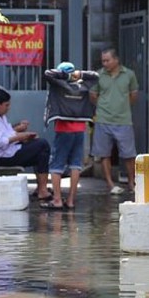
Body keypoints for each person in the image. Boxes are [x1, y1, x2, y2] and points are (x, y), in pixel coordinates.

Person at [41, 62, 99, 210]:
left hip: (63, 130)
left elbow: (48, 73)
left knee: (56, 165)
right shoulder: (82, 86)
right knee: (75, 165)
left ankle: (57, 200)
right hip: (79, 130)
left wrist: (64, 75)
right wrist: (79, 74)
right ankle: (71, 201)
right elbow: (96, 76)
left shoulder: (58, 85)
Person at [0, 88, 51, 200]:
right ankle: (42, 189)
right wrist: (19, 137)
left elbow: (9, 133)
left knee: (39, 148)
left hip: (10, 150)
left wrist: (24, 137)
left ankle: (41, 189)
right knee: (43, 145)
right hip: (3, 156)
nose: (8, 108)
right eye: (6, 105)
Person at [90, 48, 138, 194]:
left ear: (116, 60)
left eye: (107, 60)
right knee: (104, 154)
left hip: (123, 120)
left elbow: (133, 95)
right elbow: (93, 95)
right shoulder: (98, 75)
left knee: (129, 154)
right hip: (103, 120)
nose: (104, 63)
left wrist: (121, 106)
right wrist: (104, 107)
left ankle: (131, 182)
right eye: (103, 60)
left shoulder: (129, 74)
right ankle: (110, 184)